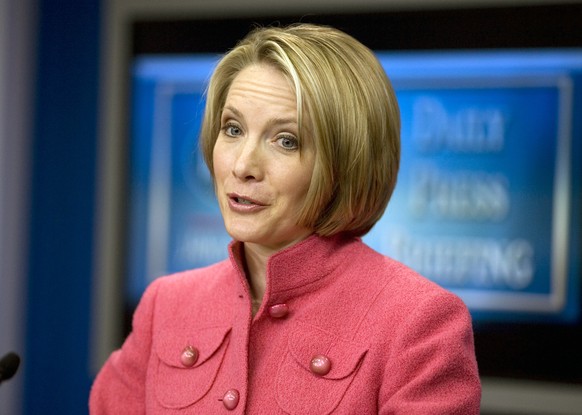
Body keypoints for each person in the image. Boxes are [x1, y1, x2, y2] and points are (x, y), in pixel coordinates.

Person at [90, 23, 481, 414]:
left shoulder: (420, 321)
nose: (243, 165)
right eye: (233, 129)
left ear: (345, 164)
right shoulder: (166, 304)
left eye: (286, 140)